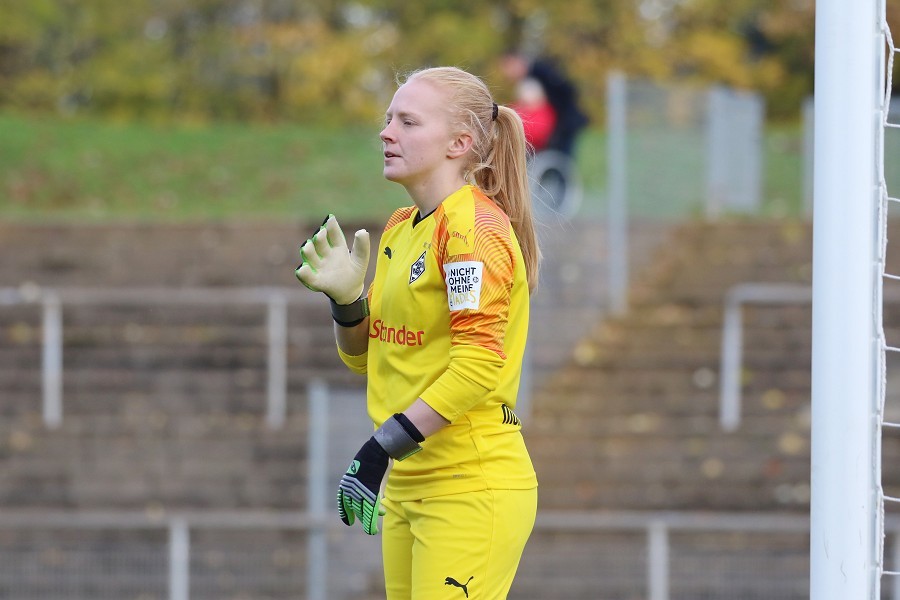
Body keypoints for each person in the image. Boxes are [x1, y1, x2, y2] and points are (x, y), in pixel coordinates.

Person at [295, 66, 540, 599]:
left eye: (408, 122)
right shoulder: (401, 226)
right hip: (410, 484)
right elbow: (366, 359)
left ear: (460, 143)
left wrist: (381, 446)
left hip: (469, 485)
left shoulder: (472, 230)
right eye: (388, 120)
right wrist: (346, 303)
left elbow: (478, 366)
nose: (386, 133)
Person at [500, 52, 589, 157]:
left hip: (564, 121)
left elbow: (566, 91)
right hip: (557, 123)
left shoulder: (540, 72)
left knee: (561, 155)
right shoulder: (534, 75)